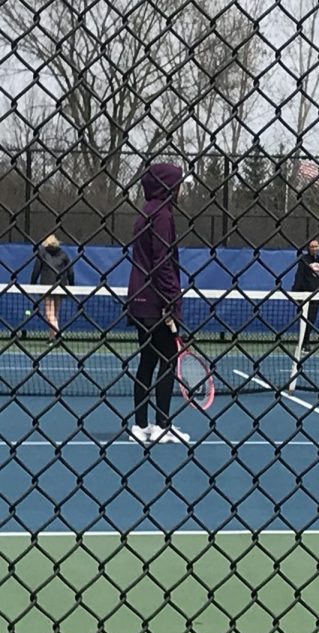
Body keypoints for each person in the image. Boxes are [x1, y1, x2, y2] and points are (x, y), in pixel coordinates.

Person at [126, 163, 191, 445]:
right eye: (176, 185)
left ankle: (141, 425)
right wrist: (171, 301)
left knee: (148, 360)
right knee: (167, 359)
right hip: (155, 302)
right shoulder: (162, 215)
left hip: (139, 299)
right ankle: (162, 426)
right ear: (168, 187)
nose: (179, 190)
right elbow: (162, 262)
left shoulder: (144, 213)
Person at [292, 239, 319, 353]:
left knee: (311, 320)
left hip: (316, 297)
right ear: (308, 248)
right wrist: (295, 292)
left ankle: (305, 342)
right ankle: (303, 343)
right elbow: (299, 276)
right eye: (312, 247)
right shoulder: (304, 260)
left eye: (316, 246)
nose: (314, 248)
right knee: (303, 320)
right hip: (304, 296)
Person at [30, 234, 75, 339]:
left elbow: (36, 270)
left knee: (49, 313)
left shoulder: (42, 253)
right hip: (60, 286)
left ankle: (57, 333)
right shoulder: (63, 254)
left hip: (48, 286)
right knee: (55, 313)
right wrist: (71, 284)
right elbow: (70, 272)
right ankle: (52, 338)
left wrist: (32, 283)